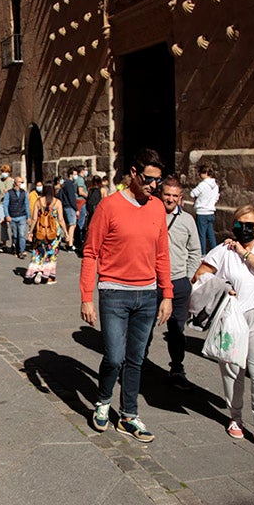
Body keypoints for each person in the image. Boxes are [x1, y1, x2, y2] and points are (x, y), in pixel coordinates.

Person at [80, 149, 173, 443]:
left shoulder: (157, 208)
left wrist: (166, 294)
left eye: (157, 181)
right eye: (148, 179)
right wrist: (86, 296)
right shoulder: (109, 206)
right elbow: (90, 252)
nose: (153, 186)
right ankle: (103, 400)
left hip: (147, 295)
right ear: (134, 173)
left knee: (136, 359)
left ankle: (129, 415)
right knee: (114, 356)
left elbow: (162, 254)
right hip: (114, 293)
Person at [192, 205, 254, 454]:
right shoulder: (223, 250)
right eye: (237, 224)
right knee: (232, 369)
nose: (242, 229)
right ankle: (235, 416)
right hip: (232, 316)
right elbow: (200, 276)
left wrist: (244, 253)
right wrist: (222, 286)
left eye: (248, 225)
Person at [152, 178, 202, 390]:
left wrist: (188, 278)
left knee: (176, 329)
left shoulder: (188, 220)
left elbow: (195, 251)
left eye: (175, 196)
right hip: (151, 281)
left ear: (180, 198)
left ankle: (177, 368)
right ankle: (138, 365)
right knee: (144, 327)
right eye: (167, 195)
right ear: (160, 195)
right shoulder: (149, 215)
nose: (170, 199)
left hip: (178, 282)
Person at [26, 181, 63, 283]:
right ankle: (48, 276)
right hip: (54, 232)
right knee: (51, 254)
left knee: (38, 252)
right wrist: (66, 233)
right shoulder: (57, 202)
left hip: (40, 230)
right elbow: (61, 219)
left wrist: (31, 231)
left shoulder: (39, 202)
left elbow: (34, 218)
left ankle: (36, 271)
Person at [191, 164, 220, 254]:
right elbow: (216, 197)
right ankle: (215, 252)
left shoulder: (202, 185)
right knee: (211, 234)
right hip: (211, 212)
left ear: (205, 173)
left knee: (202, 235)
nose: (199, 175)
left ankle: (202, 253)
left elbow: (192, 193)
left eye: (200, 173)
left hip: (202, 212)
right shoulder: (215, 185)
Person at [0, 175, 29, 258]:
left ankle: (22, 251)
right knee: (15, 235)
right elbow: (5, 205)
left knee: (22, 234)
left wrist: (28, 217)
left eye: (22, 182)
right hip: (13, 217)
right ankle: (16, 249)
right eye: (20, 182)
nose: (22, 184)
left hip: (22, 216)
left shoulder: (24, 193)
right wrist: (7, 215)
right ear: (16, 182)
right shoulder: (9, 193)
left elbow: (27, 205)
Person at [58, 168, 79, 251]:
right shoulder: (69, 184)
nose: (75, 176)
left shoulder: (66, 184)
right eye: (75, 174)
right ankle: (70, 244)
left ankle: (68, 242)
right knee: (72, 225)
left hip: (66, 206)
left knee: (69, 224)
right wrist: (76, 208)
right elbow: (71, 197)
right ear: (71, 174)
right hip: (70, 206)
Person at [0, 166, 14, 251]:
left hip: (11, 204)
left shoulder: (13, 181)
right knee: (3, 223)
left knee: (12, 223)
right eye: (2, 171)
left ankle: (14, 243)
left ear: (9, 172)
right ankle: (4, 243)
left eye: (6, 171)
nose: (4, 173)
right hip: (2, 204)